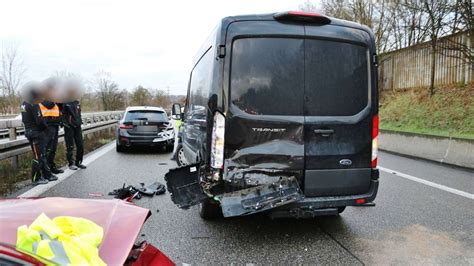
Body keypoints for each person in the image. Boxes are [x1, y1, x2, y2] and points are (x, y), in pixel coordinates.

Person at [21, 101, 58, 185]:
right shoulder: (33, 103)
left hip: (29, 130)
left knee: (41, 154)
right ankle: (36, 178)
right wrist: (46, 127)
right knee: (38, 156)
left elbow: (25, 119)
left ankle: (47, 174)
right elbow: (39, 120)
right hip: (36, 133)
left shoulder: (23, 103)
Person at [39, 100, 64, 174]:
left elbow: (60, 107)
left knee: (53, 149)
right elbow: (49, 105)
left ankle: (51, 167)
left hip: (55, 123)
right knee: (48, 149)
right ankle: (45, 171)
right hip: (48, 124)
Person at [62, 100, 86, 170]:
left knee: (80, 145)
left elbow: (79, 113)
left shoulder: (77, 102)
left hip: (78, 126)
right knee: (70, 146)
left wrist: (79, 121)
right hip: (69, 127)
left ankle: (78, 162)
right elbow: (62, 114)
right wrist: (66, 124)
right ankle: (71, 163)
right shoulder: (65, 102)